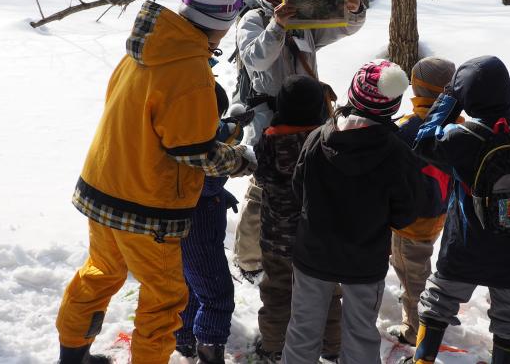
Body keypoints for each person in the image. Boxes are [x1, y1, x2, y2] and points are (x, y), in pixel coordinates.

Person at [54, 0, 255, 364]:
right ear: (227, 20)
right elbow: (194, 153)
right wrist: (239, 159)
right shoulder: (191, 70)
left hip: (103, 186)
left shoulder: (146, 48)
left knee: (100, 275)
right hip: (147, 206)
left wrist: (217, 130)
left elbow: (153, 125)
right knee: (165, 300)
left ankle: (71, 358)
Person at [406, 56, 510, 364]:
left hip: (467, 243)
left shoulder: (460, 137)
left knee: (439, 301)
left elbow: (422, 141)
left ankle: (422, 360)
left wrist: (448, 100)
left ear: (467, 95)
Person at [232, 0, 366, 282]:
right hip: (269, 120)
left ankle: (299, 246)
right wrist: (278, 25)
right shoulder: (252, 18)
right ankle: (249, 259)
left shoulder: (306, 15)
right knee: (263, 188)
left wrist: (353, 11)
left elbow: (342, 29)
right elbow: (257, 60)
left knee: (307, 184)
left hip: (308, 118)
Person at [282, 60, 420, 364]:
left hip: (313, 253)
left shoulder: (317, 139)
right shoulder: (397, 155)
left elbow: (298, 191)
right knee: (360, 333)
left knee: (302, 330)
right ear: (392, 107)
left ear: (352, 94)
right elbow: (405, 214)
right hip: (364, 260)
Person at [255, 75, 341, 363]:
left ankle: (273, 344)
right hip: (319, 237)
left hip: (277, 237)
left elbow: (262, 176)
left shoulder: (269, 139)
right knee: (327, 294)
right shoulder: (328, 139)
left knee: (277, 291)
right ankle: (333, 345)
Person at [174, 84, 250, 363]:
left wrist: (221, 193)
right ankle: (209, 350)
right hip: (200, 234)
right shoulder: (201, 151)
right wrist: (232, 157)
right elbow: (204, 185)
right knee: (217, 295)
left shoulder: (177, 137)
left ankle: (184, 341)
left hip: (185, 230)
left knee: (193, 286)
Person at [388, 57, 458, 347]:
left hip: (410, 221)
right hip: (439, 211)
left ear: (416, 89)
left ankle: (417, 327)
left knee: (413, 275)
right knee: (421, 265)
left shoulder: (406, 129)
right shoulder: (456, 124)